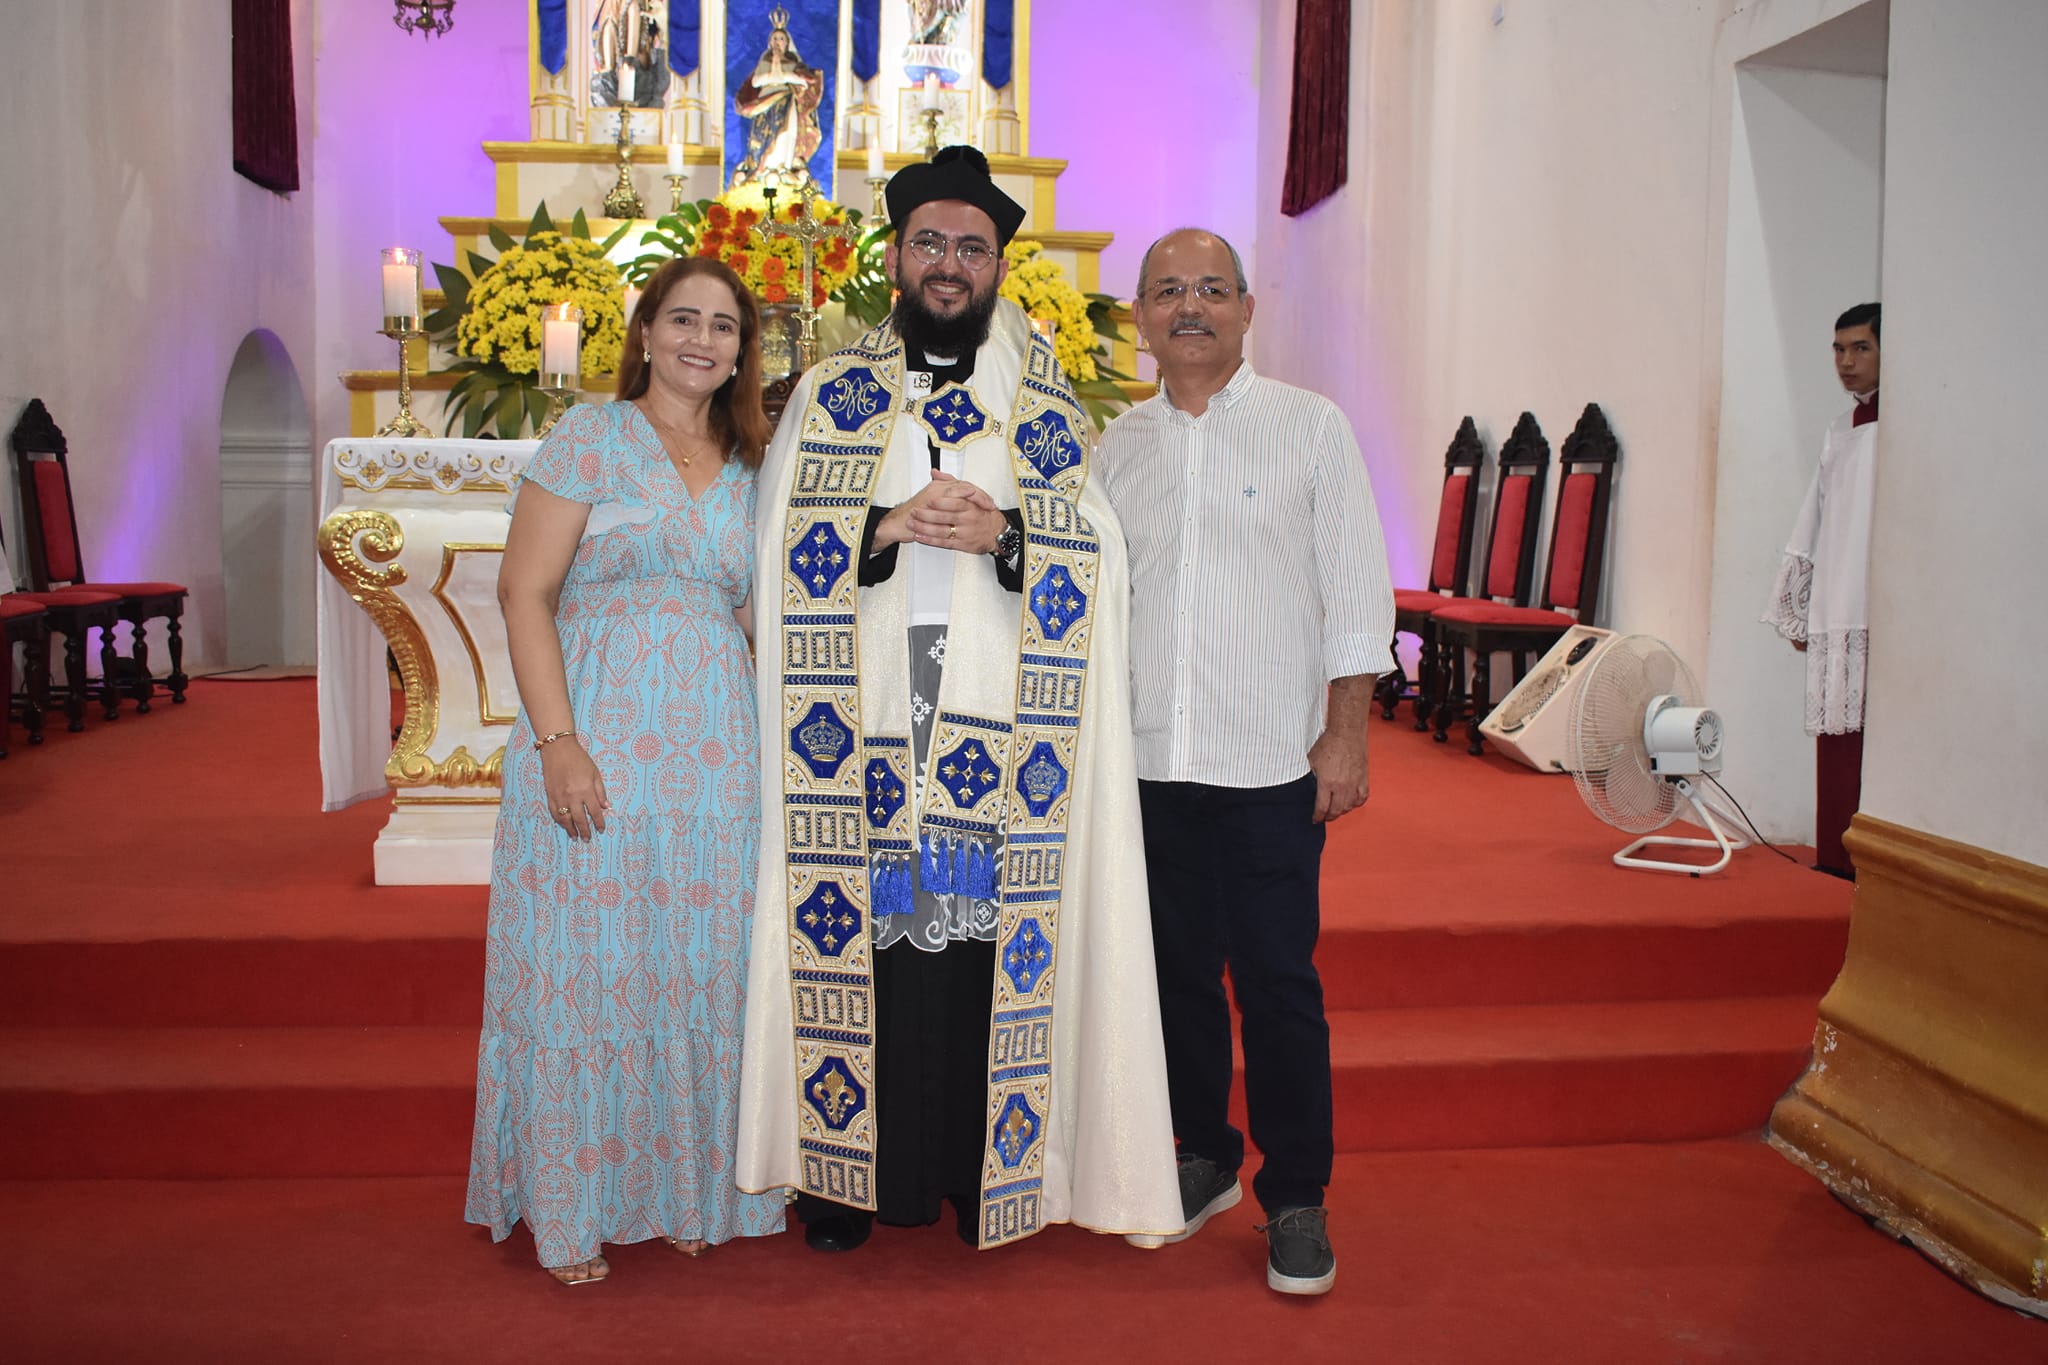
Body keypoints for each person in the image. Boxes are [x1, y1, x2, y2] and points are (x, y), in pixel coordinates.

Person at [736, 146, 1182, 1255]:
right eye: (929, 244)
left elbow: (1105, 562)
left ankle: (984, 1175)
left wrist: (1010, 535)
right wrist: (878, 529)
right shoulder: (835, 394)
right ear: (894, 258)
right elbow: (775, 549)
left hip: (998, 720)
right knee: (873, 942)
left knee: (974, 954)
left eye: (970, 249)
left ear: (995, 267)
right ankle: (847, 1183)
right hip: (869, 716)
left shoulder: (1041, 405)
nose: (948, 265)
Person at [466, 258, 785, 1285]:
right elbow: (524, 592)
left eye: (724, 327)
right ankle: (576, 1206)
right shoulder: (589, 438)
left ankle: (686, 1192)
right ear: (644, 332)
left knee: (699, 967)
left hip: (714, 756)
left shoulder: (754, 460)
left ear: (744, 350)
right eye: (683, 319)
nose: (703, 340)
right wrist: (559, 743)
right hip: (595, 735)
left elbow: (754, 616)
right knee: (593, 971)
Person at [1097, 228, 1395, 1296]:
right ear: (1136, 316)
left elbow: (1357, 590)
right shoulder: (1112, 449)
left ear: (1244, 309)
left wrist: (1346, 729)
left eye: (1210, 290)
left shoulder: (1307, 430)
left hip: (1269, 759)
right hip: (1146, 762)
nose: (1189, 308)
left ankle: (1297, 1195)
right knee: (1172, 980)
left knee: (1275, 985)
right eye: (1167, 291)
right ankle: (1199, 1154)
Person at [1763, 302, 1881, 879]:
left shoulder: (1905, 426)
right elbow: (1813, 518)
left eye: (1861, 348)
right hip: (1839, 599)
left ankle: (1870, 870)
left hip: (1879, 603)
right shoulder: (1841, 430)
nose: (1846, 362)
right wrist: (1799, 606)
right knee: (1837, 738)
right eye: (1839, 349)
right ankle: (1835, 859)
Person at [731, 14, 824, 186]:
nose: (777, 42)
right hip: (765, 105)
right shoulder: (764, 60)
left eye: (781, 38)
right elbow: (756, 81)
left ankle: (784, 168)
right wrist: (777, 74)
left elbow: (804, 81)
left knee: (786, 134)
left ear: (787, 42)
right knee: (764, 136)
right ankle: (764, 169)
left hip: (787, 102)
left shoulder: (794, 62)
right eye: (774, 38)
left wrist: (782, 76)